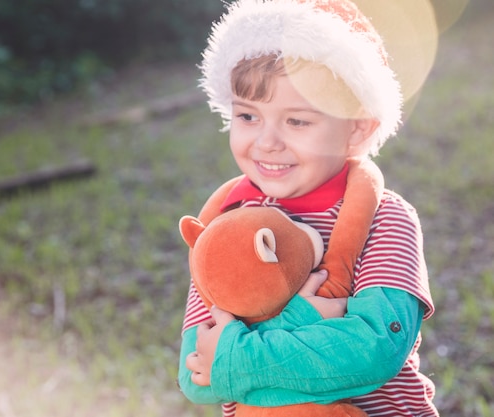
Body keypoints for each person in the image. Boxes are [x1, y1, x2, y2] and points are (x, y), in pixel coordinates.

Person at [177, 1, 438, 416]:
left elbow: (375, 350)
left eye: (297, 121)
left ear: (357, 128)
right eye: (248, 115)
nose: (266, 142)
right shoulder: (224, 222)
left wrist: (236, 359)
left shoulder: (385, 218)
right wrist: (297, 320)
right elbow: (196, 374)